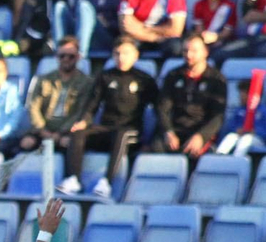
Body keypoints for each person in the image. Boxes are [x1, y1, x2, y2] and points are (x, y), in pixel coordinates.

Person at [58, 38, 160, 198]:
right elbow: (93, 105)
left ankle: (107, 182)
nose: (121, 58)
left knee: (122, 134)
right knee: (79, 133)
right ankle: (74, 179)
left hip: (131, 131)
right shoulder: (105, 76)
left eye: (126, 53)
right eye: (117, 53)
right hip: (106, 128)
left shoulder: (144, 80)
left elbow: (158, 110)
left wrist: (152, 139)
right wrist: (84, 121)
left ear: (136, 56)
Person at [153, 31, 227, 159]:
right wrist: (168, 132)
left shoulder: (216, 79)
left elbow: (218, 116)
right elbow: (162, 108)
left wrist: (201, 136)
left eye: (194, 51)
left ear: (205, 52)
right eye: (185, 51)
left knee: (193, 153)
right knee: (156, 150)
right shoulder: (173, 75)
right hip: (176, 129)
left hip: (200, 130)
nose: (189, 55)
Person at [20, 35, 90, 153]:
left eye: (71, 56)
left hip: (68, 131)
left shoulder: (86, 82)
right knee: (26, 143)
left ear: (78, 57)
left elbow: (80, 112)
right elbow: (33, 107)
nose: (66, 59)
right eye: (62, 56)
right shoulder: (44, 79)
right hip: (43, 128)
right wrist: (42, 130)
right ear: (57, 57)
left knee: (68, 143)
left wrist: (60, 133)